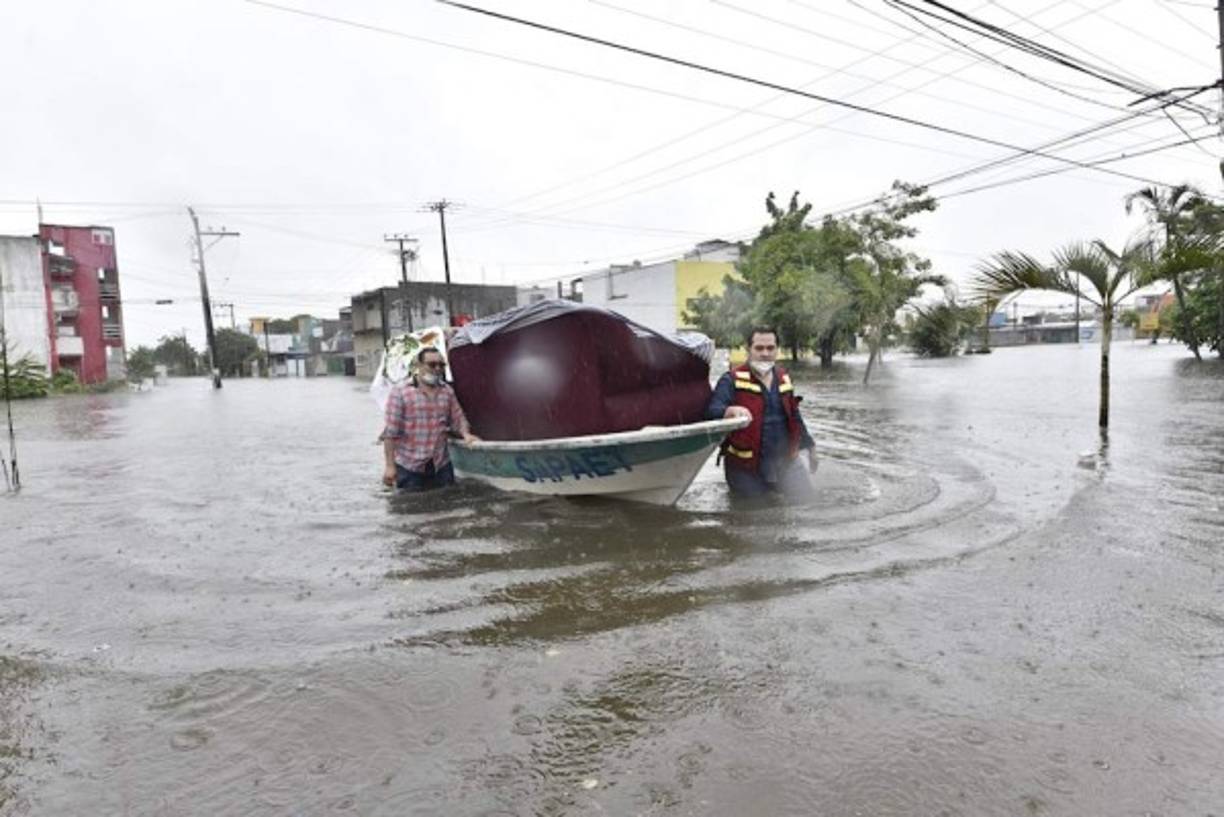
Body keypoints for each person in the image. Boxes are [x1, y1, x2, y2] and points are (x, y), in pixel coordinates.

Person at [706, 327, 818, 500]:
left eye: (770, 348)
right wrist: (730, 410)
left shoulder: (784, 378)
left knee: (808, 503)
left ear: (777, 350)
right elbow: (711, 412)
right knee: (756, 515)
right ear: (748, 350)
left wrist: (810, 447)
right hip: (745, 468)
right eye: (759, 348)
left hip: (786, 462)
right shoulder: (730, 380)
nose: (765, 353)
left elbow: (794, 416)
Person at [381, 346, 479, 492]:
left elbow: (458, 417)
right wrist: (390, 466)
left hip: (441, 464)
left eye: (441, 365)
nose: (437, 368)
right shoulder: (400, 392)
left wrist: (466, 434)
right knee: (411, 507)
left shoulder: (446, 391)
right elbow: (390, 433)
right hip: (410, 466)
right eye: (432, 364)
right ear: (419, 366)